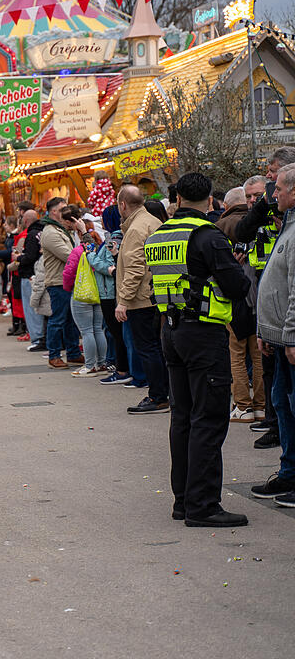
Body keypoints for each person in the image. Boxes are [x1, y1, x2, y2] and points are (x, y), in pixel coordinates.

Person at [145, 172, 250, 527]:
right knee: (208, 418)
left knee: (183, 417)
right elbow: (235, 286)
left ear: (176, 200)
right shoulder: (206, 235)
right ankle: (203, 505)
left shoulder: (160, 235)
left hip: (170, 330)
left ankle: (183, 501)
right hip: (203, 333)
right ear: (210, 201)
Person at [232, 163, 293, 448]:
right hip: (262, 297)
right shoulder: (264, 211)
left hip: (284, 304)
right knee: (272, 373)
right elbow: (242, 233)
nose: (256, 199)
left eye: (261, 193)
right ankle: (273, 421)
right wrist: (260, 209)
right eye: (249, 197)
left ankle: (277, 425)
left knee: (276, 376)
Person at [251, 162, 295, 508]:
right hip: (279, 336)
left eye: (278, 188)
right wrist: (268, 331)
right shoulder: (287, 225)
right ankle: (289, 471)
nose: (273, 194)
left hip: (290, 339)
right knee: (281, 401)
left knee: (291, 403)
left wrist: (291, 336)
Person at [115, 185, 169, 413]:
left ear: (123, 205)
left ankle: (158, 396)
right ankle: (163, 393)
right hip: (156, 294)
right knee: (155, 347)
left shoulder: (136, 229)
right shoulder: (153, 222)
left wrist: (123, 300)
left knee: (147, 348)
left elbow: (136, 268)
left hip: (141, 299)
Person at [215, 186, 265, 423]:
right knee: (258, 355)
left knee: (236, 353)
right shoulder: (258, 220)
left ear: (226, 205)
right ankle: (261, 406)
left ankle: (243, 406)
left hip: (233, 298)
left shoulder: (221, 226)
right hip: (258, 295)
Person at [39, 199, 83, 369]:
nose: (67, 211)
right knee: (58, 319)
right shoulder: (50, 233)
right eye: (62, 209)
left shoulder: (62, 230)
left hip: (67, 280)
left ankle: (73, 353)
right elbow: (69, 256)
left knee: (70, 320)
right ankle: (54, 354)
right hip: (58, 282)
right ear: (53, 212)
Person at [90, 208, 132, 385]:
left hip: (109, 291)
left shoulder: (114, 238)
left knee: (116, 332)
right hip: (110, 289)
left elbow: (110, 266)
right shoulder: (119, 235)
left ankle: (122, 370)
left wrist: (91, 256)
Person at [63, 220, 106, 377]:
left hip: (82, 293)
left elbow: (68, 273)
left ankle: (89, 366)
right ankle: (101, 364)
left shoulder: (78, 251)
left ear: (80, 233)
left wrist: (69, 289)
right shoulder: (101, 247)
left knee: (86, 331)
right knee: (97, 329)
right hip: (99, 293)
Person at [16, 209, 46, 352]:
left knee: (31, 308)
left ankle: (37, 337)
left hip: (29, 275)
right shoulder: (42, 232)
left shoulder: (31, 234)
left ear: (26, 220)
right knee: (39, 307)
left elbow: (29, 256)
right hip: (39, 274)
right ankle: (41, 336)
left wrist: (18, 258)